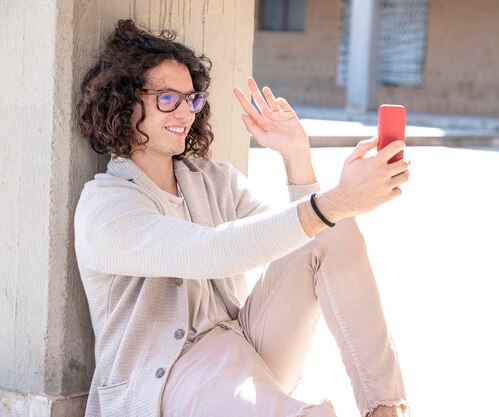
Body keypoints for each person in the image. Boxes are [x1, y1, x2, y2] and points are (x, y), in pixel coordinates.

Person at [75, 19, 409, 417]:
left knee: (331, 231)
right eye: (168, 99)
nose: (186, 111)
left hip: (244, 344)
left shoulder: (212, 179)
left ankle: (385, 409)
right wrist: (335, 201)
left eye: (191, 99)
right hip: (165, 378)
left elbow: (301, 236)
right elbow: (210, 252)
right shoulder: (106, 206)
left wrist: (295, 154)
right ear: (125, 101)